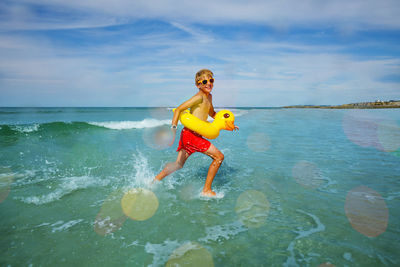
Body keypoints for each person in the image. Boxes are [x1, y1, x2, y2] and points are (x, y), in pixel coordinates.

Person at [153, 69, 238, 197]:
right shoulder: (198, 97)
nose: (208, 83)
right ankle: (206, 190)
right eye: (204, 81)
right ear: (198, 84)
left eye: (211, 80)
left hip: (194, 134)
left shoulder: (209, 97)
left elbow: (212, 114)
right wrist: (173, 130)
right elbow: (179, 110)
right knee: (219, 157)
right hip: (190, 135)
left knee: (178, 164)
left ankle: (154, 182)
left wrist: (227, 123)